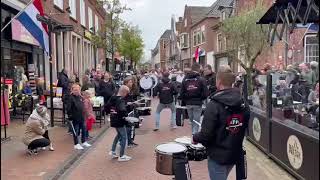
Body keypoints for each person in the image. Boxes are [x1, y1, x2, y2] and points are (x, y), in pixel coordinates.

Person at [192, 66, 250, 180]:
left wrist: (195, 137)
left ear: (218, 82)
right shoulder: (243, 103)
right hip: (234, 153)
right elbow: (244, 126)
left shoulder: (213, 105)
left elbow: (206, 135)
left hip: (218, 156)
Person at [180, 63, 208, 134]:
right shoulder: (201, 79)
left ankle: (193, 135)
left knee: (192, 121)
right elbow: (205, 93)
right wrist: (200, 99)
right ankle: (195, 137)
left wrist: (186, 99)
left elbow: (181, 93)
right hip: (197, 103)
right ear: (198, 69)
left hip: (188, 103)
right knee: (196, 121)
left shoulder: (185, 79)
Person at [108, 85, 132, 162]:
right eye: (126, 93)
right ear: (124, 92)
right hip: (119, 121)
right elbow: (122, 110)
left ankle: (112, 151)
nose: (126, 95)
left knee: (118, 135)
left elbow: (107, 106)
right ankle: (122, 155)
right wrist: (126, 114)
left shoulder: (113, 97)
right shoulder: (121, 100)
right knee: (124, 136)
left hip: (113, 119)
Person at [66, 84, 91, 150]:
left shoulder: (80, 97)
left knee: (84, 129)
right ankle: (76, 144)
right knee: (76, 131)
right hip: (75, 117)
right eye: (75, 90)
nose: (77, 91)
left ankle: (84, 141)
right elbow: (68, 108)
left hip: (81, 116)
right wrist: (70, 116)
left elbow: (83, 104)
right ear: (72, 90)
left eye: (78, 90)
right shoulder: (70, 98)